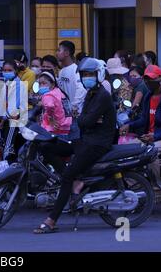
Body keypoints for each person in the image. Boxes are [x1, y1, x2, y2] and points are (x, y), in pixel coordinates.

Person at [34, 57, 116, 234]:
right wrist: (84, 119)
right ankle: (73, 177)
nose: (87, 78)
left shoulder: (102, 96)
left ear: (98, 75)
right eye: (84, 75)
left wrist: (84, 119)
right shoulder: (91, 94)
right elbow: (83, 119)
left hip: (97, 143)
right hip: (85, 139)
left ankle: (51, 220)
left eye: (90, 75)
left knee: (67, 177)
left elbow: (85, 120)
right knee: (47, 146)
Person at [120, 65, 161, 197]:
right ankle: (135, 188)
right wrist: (129, 125)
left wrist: (156, 136)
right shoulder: (148, 97)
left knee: (151, 152)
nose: (148, 82)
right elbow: (144, 119)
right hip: (150, 135)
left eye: (152, 79)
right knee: (124, 151)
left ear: (160, 79)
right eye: (146, 79)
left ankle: (156, 189)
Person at [56, 41, 87, 140]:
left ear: (66, 53)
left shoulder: (76, 70)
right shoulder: (61, 72)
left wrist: (74, 106)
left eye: (59, 50)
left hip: (75, 116)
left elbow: (81, 89)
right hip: (64, 117)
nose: (57, 53)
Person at [37, 71, 72, 138]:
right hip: (65, 128)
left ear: (52, 84)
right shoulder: (59, 92)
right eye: (40, 84)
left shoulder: (48, 95)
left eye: (44, 83)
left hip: (53, 129)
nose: (41, 86)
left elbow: (49, 106)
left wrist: (51, 118)